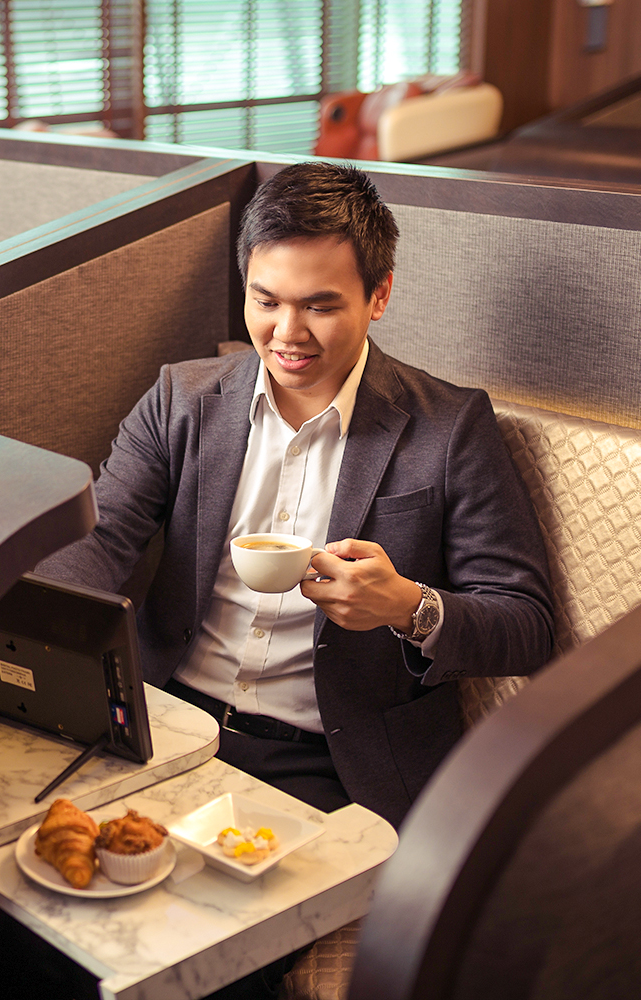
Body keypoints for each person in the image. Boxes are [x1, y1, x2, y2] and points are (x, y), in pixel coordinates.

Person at [36, 161, 554, 829]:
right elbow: (101, 539)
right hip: (167, 720)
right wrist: (30, 622)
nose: (287, 332)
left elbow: (527, 626)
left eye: (320, 305)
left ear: (379, 295)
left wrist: (407, 606)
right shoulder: (182, 401)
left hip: (329, 762)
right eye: (267, 300)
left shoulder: (449, 428)